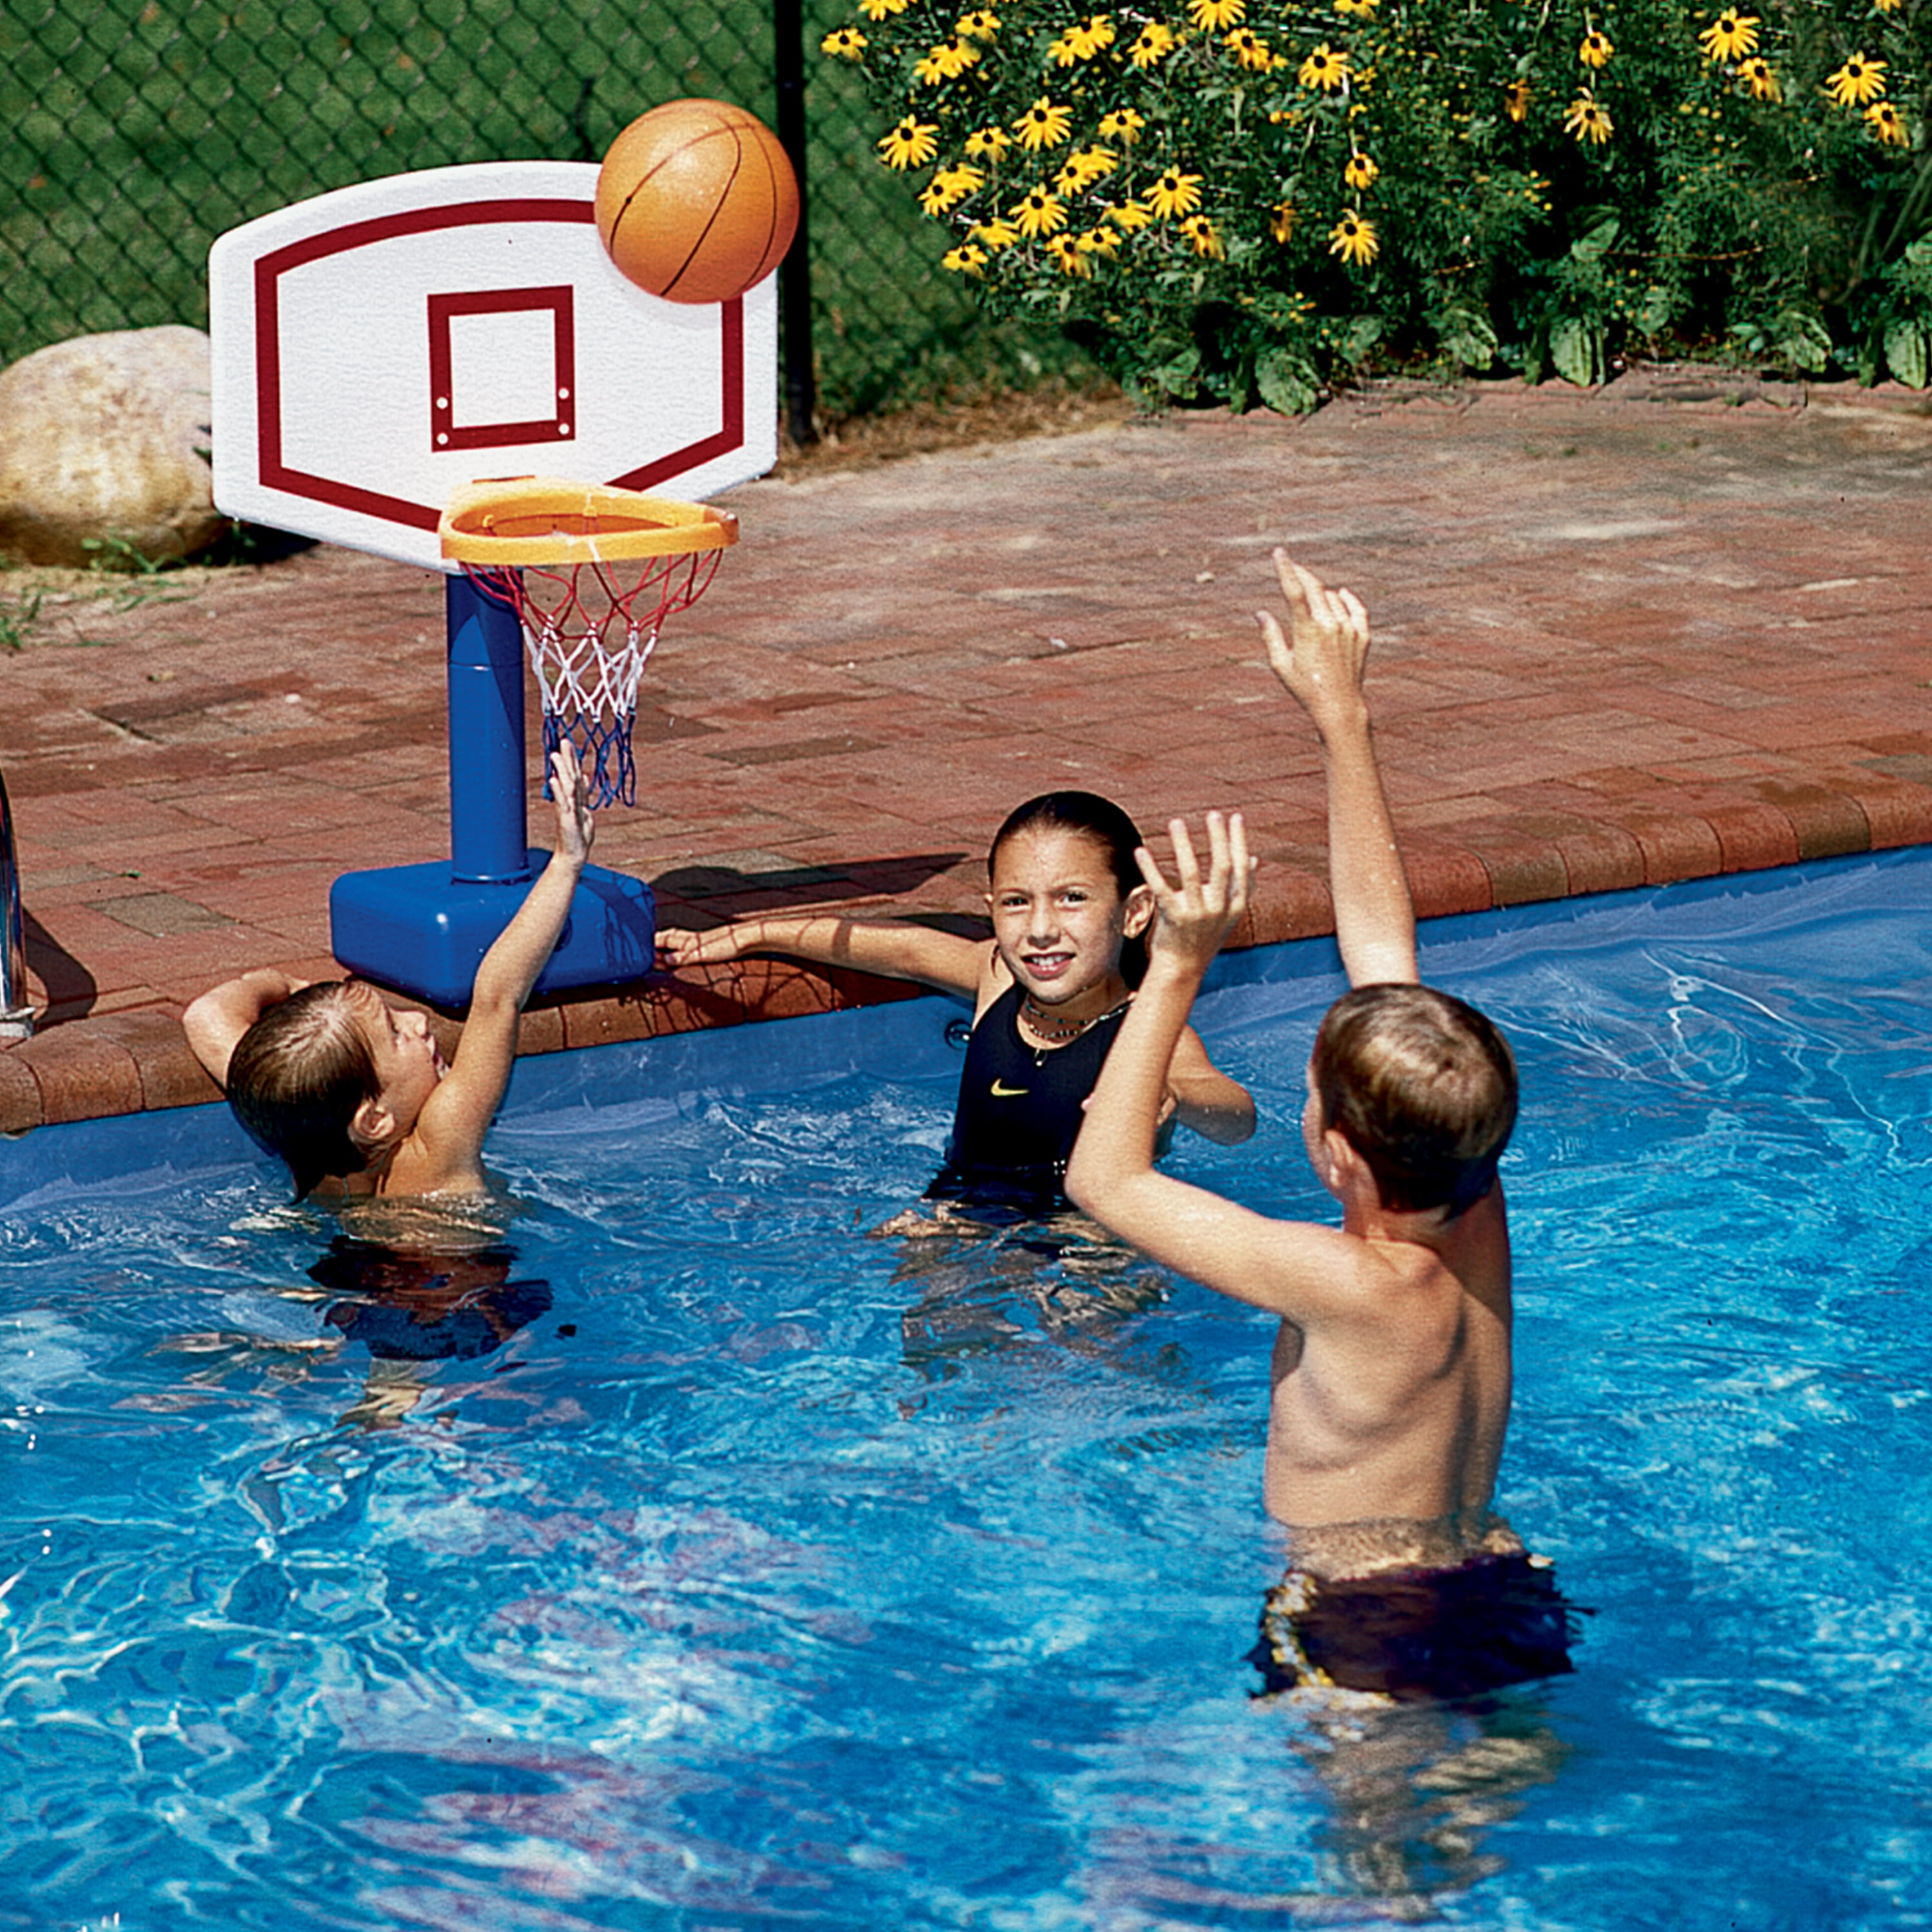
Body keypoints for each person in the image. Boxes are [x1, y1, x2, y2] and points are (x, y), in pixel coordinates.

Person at [1066, 553, 1577, 1703]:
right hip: (1499, 1577)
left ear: (1338, 1154)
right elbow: (1383, 960)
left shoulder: (1346, 1282)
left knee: (1372, 1825)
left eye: (1307, 1090)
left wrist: (1176, 967)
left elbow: (1105, 1180)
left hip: (1366, 1615)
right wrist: (1343, 716)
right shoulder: (1475, 1194)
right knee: (1494, 1794)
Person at [656, 790, 1255, 1218]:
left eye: (1072, 898)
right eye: (1016, 902)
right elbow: (903, 949)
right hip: (963, 1204)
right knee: (921, 1311)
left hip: (1092, 1232)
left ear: (1135, 912)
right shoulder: (997, 978)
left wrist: (1176, 1097)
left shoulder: (1145, 1032)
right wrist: (754, 934)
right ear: (991, 908)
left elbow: (1237, 1117)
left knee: (1087, 1319)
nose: (1040, 929)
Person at [184, 744, 594, 1200]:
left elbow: (203, 1016)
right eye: (396, 1034)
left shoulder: (289, 1118)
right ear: (375, 1120)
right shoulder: (438, 1149)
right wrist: (567, 861)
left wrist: (313, 1004)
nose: (417, 1021)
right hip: (459, 1248)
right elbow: (498, 996)